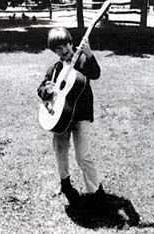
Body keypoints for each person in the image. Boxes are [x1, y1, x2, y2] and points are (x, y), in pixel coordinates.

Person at [37, 27, 101, 205]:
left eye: (66, 45)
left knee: (83, 155)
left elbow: (95, 74)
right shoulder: (55, 68)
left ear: (72, 43)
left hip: (81, 116)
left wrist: (89, 55)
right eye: (59, 48)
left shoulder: (81, 61)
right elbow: (41, 88)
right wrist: (47, 90)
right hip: (60, 117)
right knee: (60, 150)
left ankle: (95, 191)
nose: (64, 50)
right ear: (54, 51)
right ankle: (65, 182)